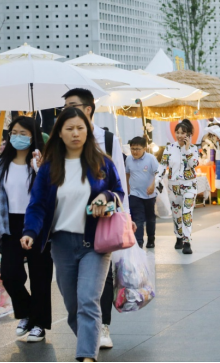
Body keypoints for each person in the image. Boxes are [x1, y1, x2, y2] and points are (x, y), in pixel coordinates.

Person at [21, 108, 124, 363]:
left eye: (80, 128)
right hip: (62, 244)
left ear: (87, 131)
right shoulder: (49, 168)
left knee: (88, 299)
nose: (75, 133)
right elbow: (37, 204)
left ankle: (86, 356)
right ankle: (88, 344)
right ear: (60, 133)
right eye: (69, 129)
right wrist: (30, 231)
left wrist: (106, 196)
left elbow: (119, 192)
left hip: (96, 243)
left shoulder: (102, 163)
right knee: (72, 306)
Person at [62, 88, 130, 350]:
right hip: (66, 227)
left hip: (102, 219)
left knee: (102, 279)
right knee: (72, 292)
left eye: (72, 105)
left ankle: (102, 327)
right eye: (65, 106)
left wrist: (124, 214)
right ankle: (87, 331)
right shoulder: (61, 139)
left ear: (88, 108)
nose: (67, 110)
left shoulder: (107, 138)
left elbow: (119, 180)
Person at [0, 116, 52, 343]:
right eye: (14, 132)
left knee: (40, 276)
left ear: (33, 136)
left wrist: (40, 168)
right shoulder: (1, 163)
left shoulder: (43, 162)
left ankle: (39, 324)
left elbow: (51, 193)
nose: (17, 137)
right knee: (9, 274)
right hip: (10, 224)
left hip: (37, 223)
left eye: (23, 133)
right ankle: (27, 313)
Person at [156, 119, 199, 255]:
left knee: (187, 213)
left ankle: (187, 241)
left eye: (183, 133)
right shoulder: (169, 148)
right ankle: (179, 236)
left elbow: (194, 164)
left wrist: (186, 150)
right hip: (174, 186)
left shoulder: (193, 148)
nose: (180, 135)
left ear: (189, 134)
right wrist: (157, 179)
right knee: (176, 214)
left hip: (189, 185)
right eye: (178, 132)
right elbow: (162, 165)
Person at [125, 136, 159, 249]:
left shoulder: (151, 159)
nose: (135, 151)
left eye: (137, 149)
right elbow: (127, 174)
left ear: (144, 148)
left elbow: (158, 174)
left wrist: (152, 185)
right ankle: (139, 242)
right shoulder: (128, 159)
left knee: (150, 218)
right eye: (132, 148)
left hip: (149, 194)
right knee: (137, 218)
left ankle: (151, 238)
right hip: (135, 194)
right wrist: (127, 187)